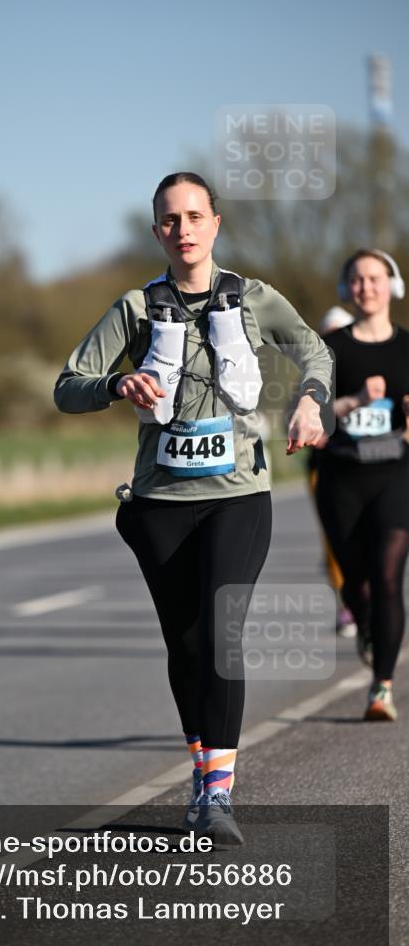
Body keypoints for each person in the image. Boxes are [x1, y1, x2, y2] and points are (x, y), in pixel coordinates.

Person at [54, 172, 332, 845]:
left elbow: (314, 350)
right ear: (157, 231)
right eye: (169, 220)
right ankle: (203, 776)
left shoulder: (253, 298)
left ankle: (217, 794)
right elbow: (66, 387)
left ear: (215, 223)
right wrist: (118, 383)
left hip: (238, 496)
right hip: (160, 503)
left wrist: (310, 400)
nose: (182, 229)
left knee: (220, 635)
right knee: (184, 645)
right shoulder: (135, 308)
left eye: (194, 216)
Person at [315, 249, 409, 721]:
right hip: (341, 477)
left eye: (374, 278)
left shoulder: (407, 346)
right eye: (357, 279)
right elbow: (307, 414)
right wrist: (353, 400)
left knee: (389, 577)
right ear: (345, 288)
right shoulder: (330, 349)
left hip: (396, 474)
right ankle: (366, 623)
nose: (366, 287)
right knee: (356, 582)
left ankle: (382, 687)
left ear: (391, 285)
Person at [308, 307, 357, 639]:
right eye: (329, 335)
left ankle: (373, 599)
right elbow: (291, 417)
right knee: (333, 541)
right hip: (324, 470)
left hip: (366, 468)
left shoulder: (368, 372)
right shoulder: (313, 375)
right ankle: (347, 605)